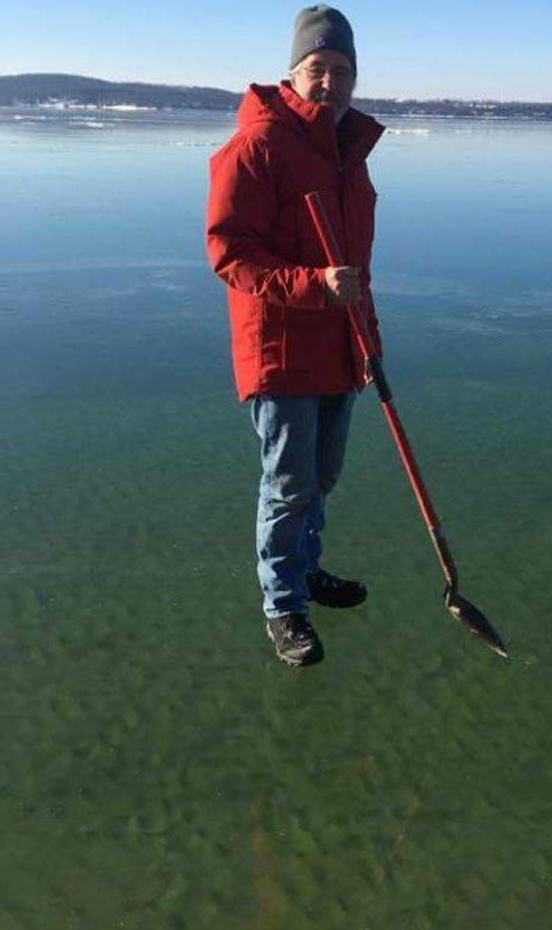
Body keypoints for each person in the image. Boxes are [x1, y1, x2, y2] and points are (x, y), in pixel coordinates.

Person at [205, 5, 385, 667]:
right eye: (318, 68)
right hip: (280, 348)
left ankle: (305, 569)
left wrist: (368, 341)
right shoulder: (259, 145)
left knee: (321, 477)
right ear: (293, 72)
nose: (331, 82)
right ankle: (283, 606)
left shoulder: (348, 156)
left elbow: (356, 271)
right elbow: (229, 252)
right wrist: (313, 286)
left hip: (338, 345)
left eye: (342, 70)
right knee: (288, 485)